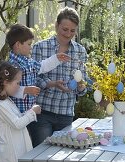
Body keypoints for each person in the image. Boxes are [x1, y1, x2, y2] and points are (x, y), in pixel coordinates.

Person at [30, 7, 89, 147]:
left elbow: (85, 83)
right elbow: (32, 78)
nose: (68, 34)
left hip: (66, 114)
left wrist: (81, 86)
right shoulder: (40, 47)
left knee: (61, 159)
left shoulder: (80, 51)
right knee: (41, 158)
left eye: (73, 30)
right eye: (65, 29)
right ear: (57, 26)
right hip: (42, 113)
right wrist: (52, 84)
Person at [0, 61, 41, 162]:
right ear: (6, 82)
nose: (19, 87)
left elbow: (16, 119)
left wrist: (29, 112)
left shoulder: (6, 101)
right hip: (9, 156)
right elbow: (17, 123)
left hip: (14, 150)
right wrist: (32, 112)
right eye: (17, 83)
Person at [6, 23, 70, 114]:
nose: (31, 47)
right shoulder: (11, 65)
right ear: (18, 45)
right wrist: (26, 90)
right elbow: (8, 89)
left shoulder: (28, 61)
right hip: (16, 113)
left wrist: (56, 58)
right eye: (29, 44)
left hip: (29, 113)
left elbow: (42, 67)